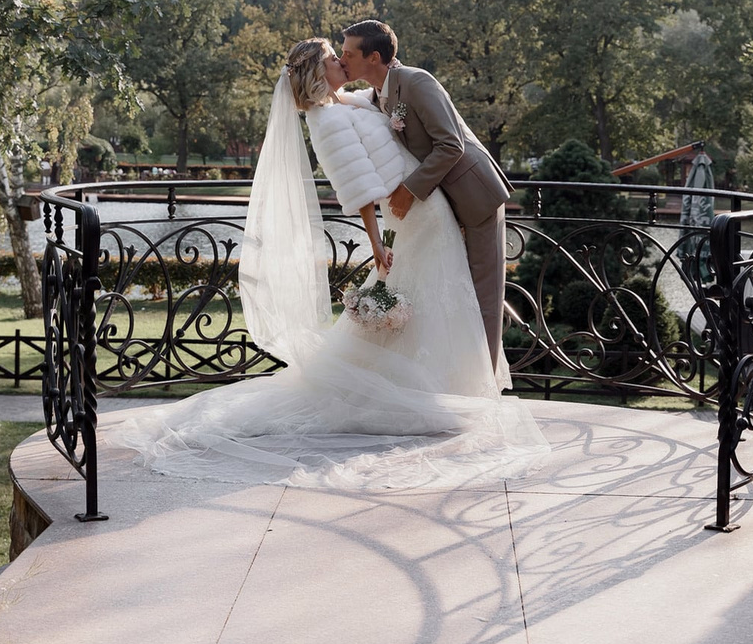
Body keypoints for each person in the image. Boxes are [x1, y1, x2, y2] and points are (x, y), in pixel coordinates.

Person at [109, 38, 545, 489]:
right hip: (415, 212)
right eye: (334, 59)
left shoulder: (354, 100)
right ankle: (434, 393)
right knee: (434, 292)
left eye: (344, 55)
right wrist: (376, 243)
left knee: (436, 296)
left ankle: (441, 387)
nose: (342, 61)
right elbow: (356, 190)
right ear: (320, 73)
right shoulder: (327, 119)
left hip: (428, 205)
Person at [339, 19, 513, 368]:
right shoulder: (376, 96)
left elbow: (452, 145)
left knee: (481, 298)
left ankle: (483, 393)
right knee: (453, 294)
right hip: (439, 208)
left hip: (474, 198)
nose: (342, 60)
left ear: (373, 57)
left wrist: (409, 191)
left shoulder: (418, 82)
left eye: (347, 53)